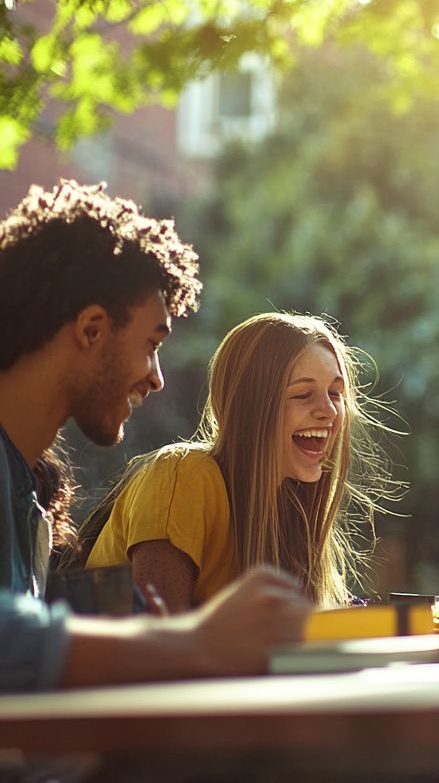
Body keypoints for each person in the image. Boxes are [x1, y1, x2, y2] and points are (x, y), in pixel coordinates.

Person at [0, 179, 310, 696]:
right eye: (151, 344)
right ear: (92, 329)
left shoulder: (24, 491)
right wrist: (193, 642)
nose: (157, 377)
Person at [73, 312, 392, 611]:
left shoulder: (290, 511)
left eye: (335, 393)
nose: (330, 411)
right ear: (250, 408)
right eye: (302, 395)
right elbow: (159, 646)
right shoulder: (183, 473)